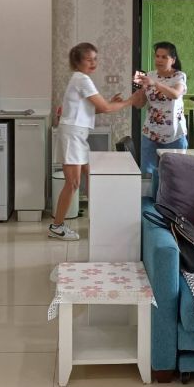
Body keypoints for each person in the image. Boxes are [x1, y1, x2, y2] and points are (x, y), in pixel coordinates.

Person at [50, 42, 134, 241]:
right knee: (73, 183)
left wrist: (113, 103)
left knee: (90, 175)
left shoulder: (80, 79)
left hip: (77, 134)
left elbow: (92, 109)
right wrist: (131, 100)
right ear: (78, 62)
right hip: (72, 135)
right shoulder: (82, 79)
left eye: (95, 59)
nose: (93, 63)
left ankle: (98, 218)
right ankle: (57, 226)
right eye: (89, 59)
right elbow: (105, 108)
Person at [132, 41, 188, 176]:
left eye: (164, 57)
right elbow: (139, 105)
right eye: (157, 56)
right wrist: (139, 89)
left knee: (175, 175)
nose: (159, 60)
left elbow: (175, 94)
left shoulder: (179, 76)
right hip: (150, 133)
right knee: (147, 175)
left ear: (173, 60)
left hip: (174, 134)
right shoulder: (149, 75)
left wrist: (154, 83)